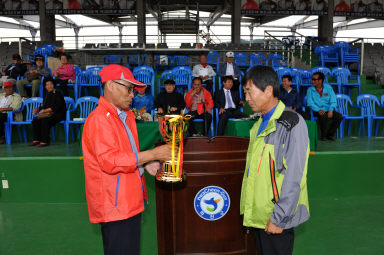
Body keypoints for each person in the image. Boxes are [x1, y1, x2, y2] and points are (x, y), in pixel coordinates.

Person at [82, 64, 175, 255]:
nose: (132, 95)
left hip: (128, 199)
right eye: (129, 88)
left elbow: (126, 152)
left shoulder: (125, 116)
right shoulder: (100, 119)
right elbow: (110, 161)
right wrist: (153, 154)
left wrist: (145, 163)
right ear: (110, 86)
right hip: (115, 204)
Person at [240, 66, 310, 255]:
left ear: (268, 90)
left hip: (276, 217)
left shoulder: (292, 123)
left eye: (249, 91)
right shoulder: (259, 125)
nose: (246, 98)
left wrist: (279, 217)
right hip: (259, 216)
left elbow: (295, 177)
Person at [307, 72, 342, 141]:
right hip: (316, 110)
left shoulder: (328, 88)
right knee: (323, 115)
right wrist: (318, 110)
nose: (312, 81)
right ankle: (323, 136)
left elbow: (333, 100)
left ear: (320, 80)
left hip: (328, 109)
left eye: (314, 79)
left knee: (339, 116)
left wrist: (331, 110)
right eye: (312, 79)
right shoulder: (310, 90)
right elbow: (310, 103)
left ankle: (330, 134)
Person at [31, 78, 66, 147]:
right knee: (35, 120)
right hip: (49, 114)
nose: (49, 86)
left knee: (45, 120)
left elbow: (56, 107)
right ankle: (37, 139)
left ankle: (45, 141)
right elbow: (45, 106)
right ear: (45, 86)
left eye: (51, 84)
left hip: (58, 114)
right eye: (47, 85)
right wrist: (37, 108)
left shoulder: (58, 93)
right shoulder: (47, 94)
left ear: (53, 85)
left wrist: (44, 111)